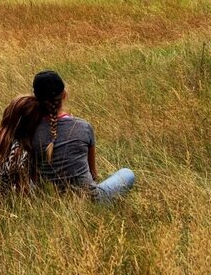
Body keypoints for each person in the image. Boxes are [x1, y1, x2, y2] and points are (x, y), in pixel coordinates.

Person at [29, 70, 135, 203]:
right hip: (89, 200)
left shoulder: (29, 130)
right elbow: (93, 173)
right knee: (127, 173)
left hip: (47, 201)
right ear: (64, 94)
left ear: (35, 98)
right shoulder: (83, 127)